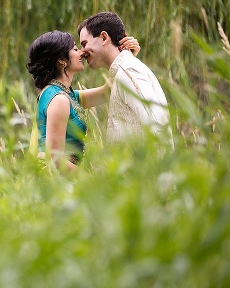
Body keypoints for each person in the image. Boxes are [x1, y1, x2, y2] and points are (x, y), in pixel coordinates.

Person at [27, 30, 140, 170]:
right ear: (62, 60)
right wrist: (90, 183)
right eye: (75, 49)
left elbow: (106, 92)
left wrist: (126, 57)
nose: (82, 52)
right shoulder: (59, 100)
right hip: (57, 182)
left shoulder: (66, 95)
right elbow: (56, 159)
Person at [77, 12, 172, 146]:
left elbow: (156, 128)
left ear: (104, 37)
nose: (81, 52)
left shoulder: (129, 72)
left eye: (84, 43)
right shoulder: (124, 72)